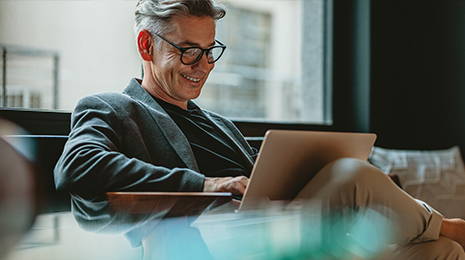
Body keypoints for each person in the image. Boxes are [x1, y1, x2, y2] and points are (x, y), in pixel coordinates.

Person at [54, 0, 465, 259]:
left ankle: (438, 233)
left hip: (285, 230)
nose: (203, 66)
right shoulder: (110, 108)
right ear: (147, 46)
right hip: (208, 241)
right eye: (188, 51)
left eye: (210, 50)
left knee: (443, 253)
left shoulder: (220, 125)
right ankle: (443, 222)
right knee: (352, 175)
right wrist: (207, 185)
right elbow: (77, 167)